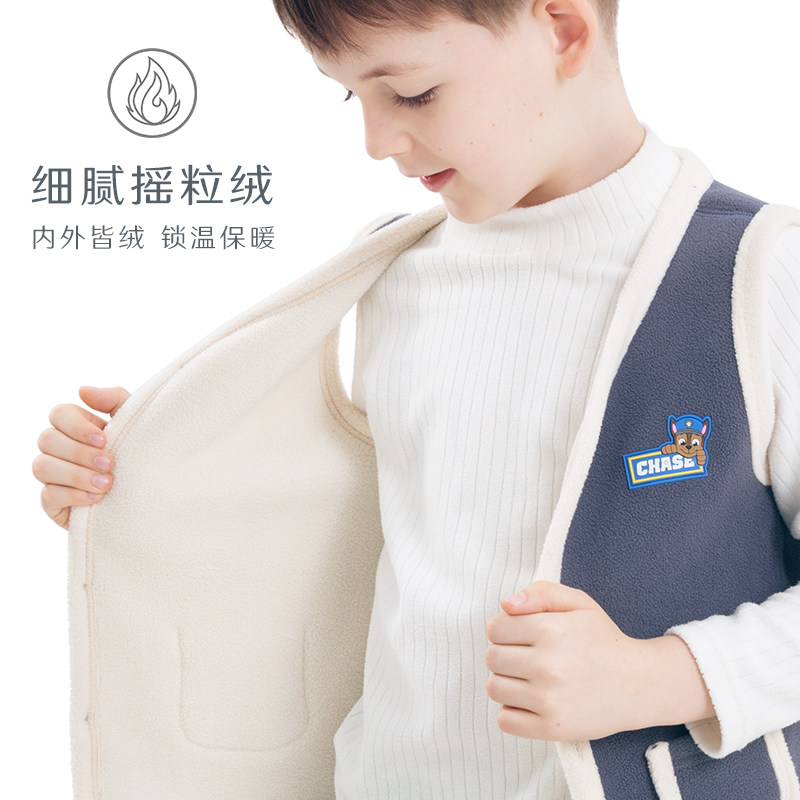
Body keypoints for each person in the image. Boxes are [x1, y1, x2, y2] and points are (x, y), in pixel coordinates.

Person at [32, 1, 800, 798]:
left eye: (412, 93)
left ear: (564, 30)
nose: (376, 142)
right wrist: (142, 477)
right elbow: (364, 542)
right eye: (351, 95)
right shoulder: (394, 277)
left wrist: (667, 676)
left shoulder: (758, 270)